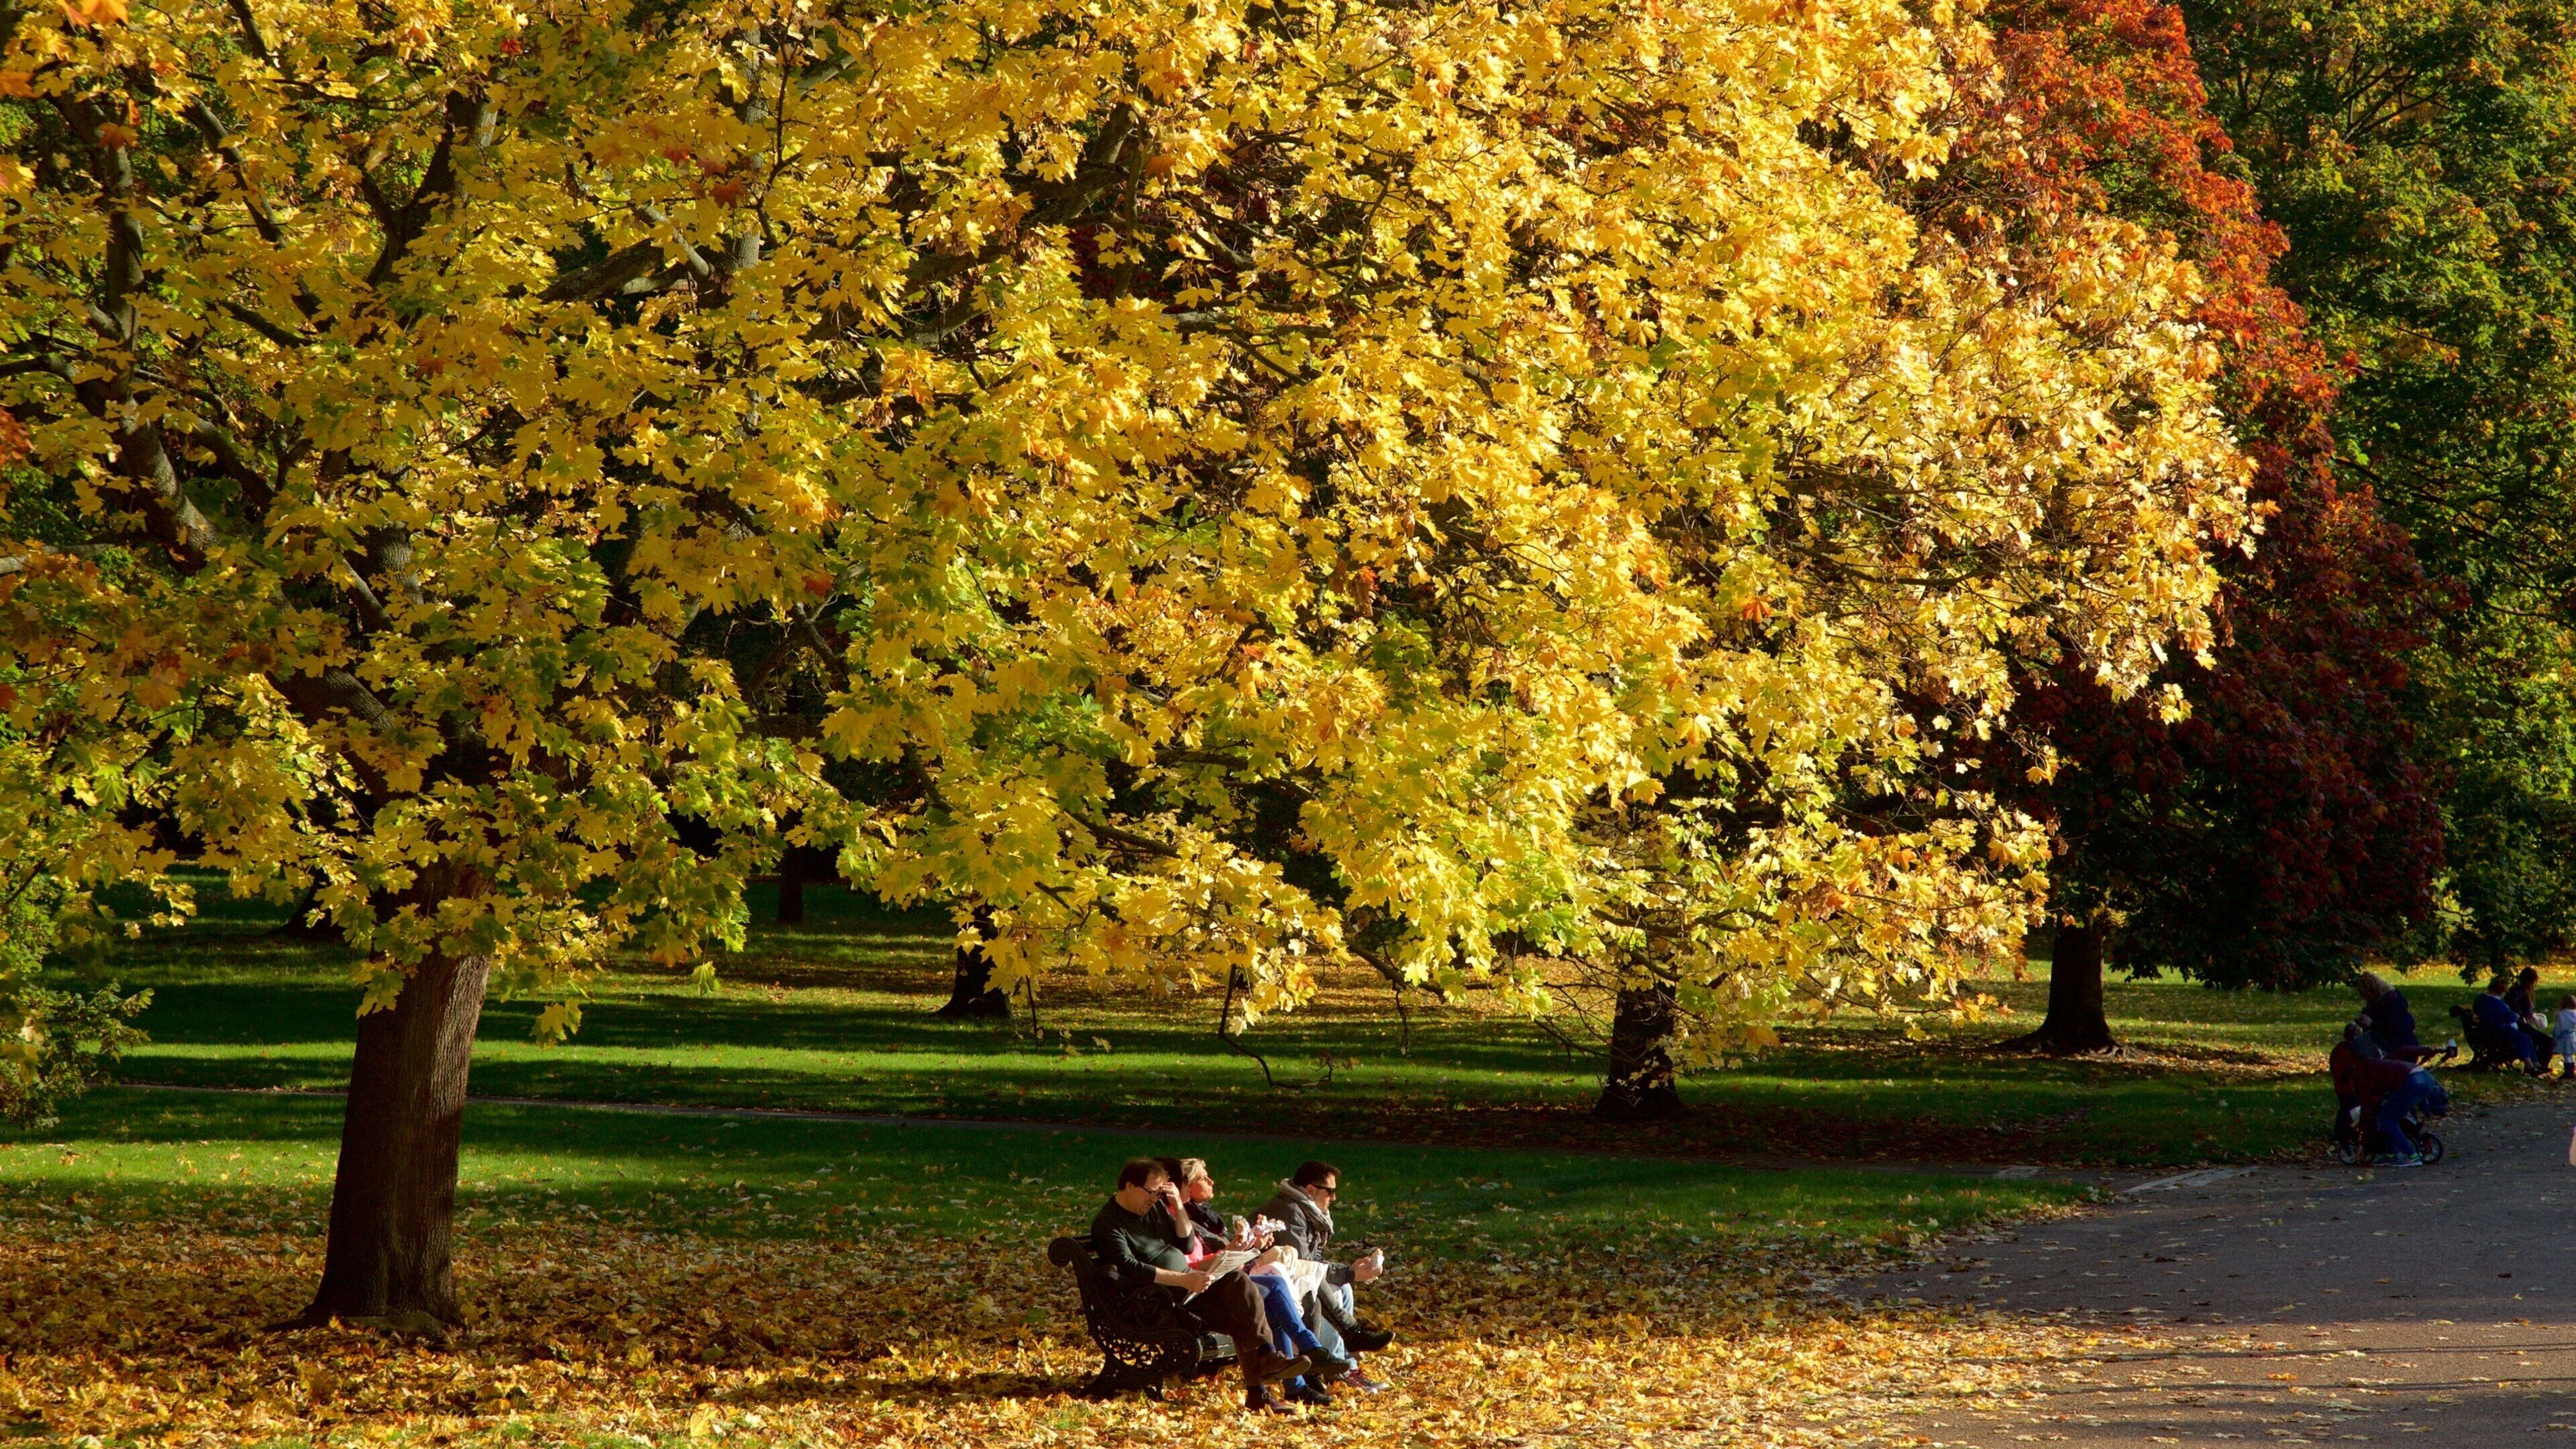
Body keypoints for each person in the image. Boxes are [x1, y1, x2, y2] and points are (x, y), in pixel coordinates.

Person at [1090, 1158, 1309, 1411]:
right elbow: (1132, 1269)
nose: (1154, 1199)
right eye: (1151, 1192)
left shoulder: (1152, 1209)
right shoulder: (1109, 1223)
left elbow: (1184, 1244)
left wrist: (1177, 1207)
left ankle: (1265, 1366)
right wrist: (1184, 1279)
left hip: (1185, 1289)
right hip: (1154, 1300)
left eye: (1159, 1193)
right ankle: (1263, 1373)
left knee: (1239, 1286)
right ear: (1129, 1186)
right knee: (1239, 1307)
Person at [1158, 1157, 1352, 1405]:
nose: (1211, 1181)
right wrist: (1235, 1252)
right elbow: (1187, 1261)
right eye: (1202, 1178)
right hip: (1198, 1292)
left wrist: (1246, 1247)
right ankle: (1304, 1360)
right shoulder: (1178, 1217)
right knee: (1268, 1294)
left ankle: (1299, 1366)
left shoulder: (1193, 1216)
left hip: (1219, 1282)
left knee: (1276, 1288)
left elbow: (1207, 1256)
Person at [1258, 1161, 1394, 1391]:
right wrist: (1349, 1273)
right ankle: (1341, 1355)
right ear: (1311, 1190)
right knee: (1332, 1287)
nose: (1333, 1198)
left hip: (1288, 1278)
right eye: (1329, 1191)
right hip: (1273, 1284)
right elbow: (1304, 1265)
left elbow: (1313, 1263)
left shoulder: (1306, 1211)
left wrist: (1349, 1272)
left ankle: (1344, 1361)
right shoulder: (1290, 1212)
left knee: (1343, 1288)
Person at [2329, 1028, 2444, 1166]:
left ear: (2351, 1079)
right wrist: (2427, 1050)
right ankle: (2391, 1153)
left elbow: (2366, 1112)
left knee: (2386, 1120)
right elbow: (2402, 1052)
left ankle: (2411, 1155)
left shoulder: (2361, 1078)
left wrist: (2361, 1143)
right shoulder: (2372, 1063)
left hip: (2411, 1082)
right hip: (2425, 1078)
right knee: (2389, 1115)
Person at [2353, 972, 2445, 1062]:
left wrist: (2371, 1024)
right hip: (2388, 1049)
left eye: (2363, 993)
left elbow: (2396, 1027)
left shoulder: (2393, 1003)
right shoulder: (2376, 1003)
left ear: (2371, 990)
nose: (2363, 997)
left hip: (2399, 1049)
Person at [2473, 977, 2547, 1075]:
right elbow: (2506, 1017)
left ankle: (2536, 1063)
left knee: (2527, 1037)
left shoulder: (2483, 998)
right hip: (2496, 1030)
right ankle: (2530, 1066)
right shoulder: (2493, 1002)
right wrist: (2515, 1016)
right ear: (2500, 991)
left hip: (2492, 1028)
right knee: (2523, 1038)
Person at [2555, 995, 2576, 1079]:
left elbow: (2559, 1027)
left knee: (2566, 1055)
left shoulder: (2561, 1014)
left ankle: (2568, 1072)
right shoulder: (2574, 1013)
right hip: (2572, 1036)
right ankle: (2571, 1071)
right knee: (2570, 1055)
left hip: (2564, 1037)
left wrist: (2555, 1035)